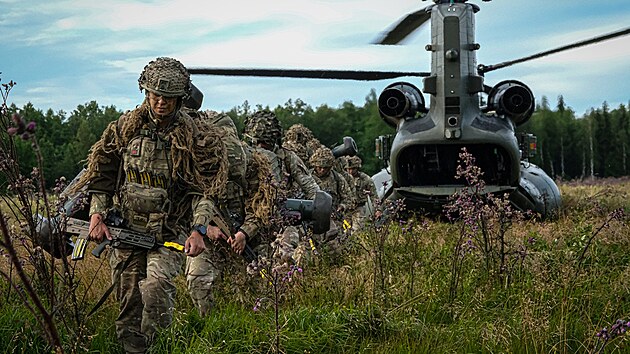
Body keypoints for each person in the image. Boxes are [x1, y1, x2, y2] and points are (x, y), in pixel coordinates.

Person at [71, 57, 228, 353]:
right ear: (145, 92)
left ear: (181, 99)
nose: (161, 103)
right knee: (128, 302)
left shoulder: (195, 137)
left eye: (169, 98)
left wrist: (198, 229)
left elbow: (204, 190)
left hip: (168, 234)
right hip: (126, 232)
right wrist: (97, 215)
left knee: (155, 293)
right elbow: (102, 175)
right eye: (156, 95)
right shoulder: (124, 128)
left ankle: (159, 348)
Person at [183, 108, 274, 316]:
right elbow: (184, 205)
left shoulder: (252, 162)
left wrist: (245, 233)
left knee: (258, 291)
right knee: (198, 279)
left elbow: (261, 204)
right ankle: (211, 326)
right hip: (208, 236)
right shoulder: (194, 164)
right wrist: (207, 228)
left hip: (248, 239)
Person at [242, 110, 320, 265]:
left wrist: (316, 212)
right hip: (249, 222)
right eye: (257, 143)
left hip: (281, 221)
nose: (260, 148)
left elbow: (311, 188)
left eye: (265, 144)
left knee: (284, 262)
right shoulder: (243, 155)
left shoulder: (287, 157)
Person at [308, 146, 354, 256]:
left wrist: (342, 206)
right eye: (320, 167)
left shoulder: (337, 178)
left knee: (336, 251)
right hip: (312, 221)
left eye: (326, 167)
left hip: (333, 221)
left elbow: (348, 198)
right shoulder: (307, 178)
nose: (322, 170)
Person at [345, 156, 377, 231]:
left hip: (359, 208)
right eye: (348, 169)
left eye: (353, 169)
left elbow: (374, 195)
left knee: (357, 231)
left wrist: (377, 210)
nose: (350, 171)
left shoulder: (365, 179)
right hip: (345, 210)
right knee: (344, 231)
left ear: (358, 168)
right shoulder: (342, 178)